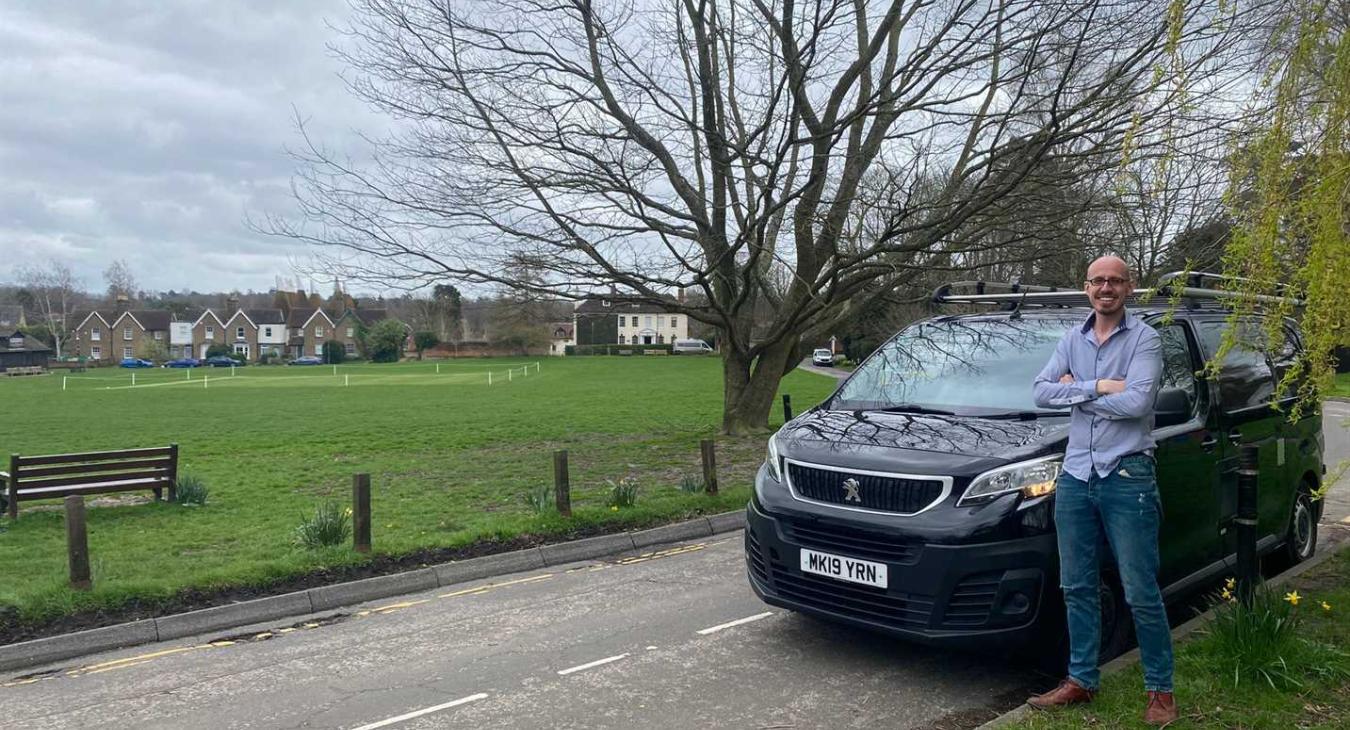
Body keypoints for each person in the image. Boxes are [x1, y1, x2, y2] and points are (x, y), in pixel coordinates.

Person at [1028, 255, 1178, 726]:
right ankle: (1080, 680)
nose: (1106, 287)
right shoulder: (1072, 338)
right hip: (1075, 475)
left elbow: (1138, 402)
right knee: (1076, 586)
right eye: (1098, 280)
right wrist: (1099, 386)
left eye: (1115, 280)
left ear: (1130, 288)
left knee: (1139, 589)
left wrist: (1076, 391)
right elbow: (1039, 391)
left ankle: (1160, 691)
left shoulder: (1146, 338)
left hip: (1127, 475)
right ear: (1086, 287)